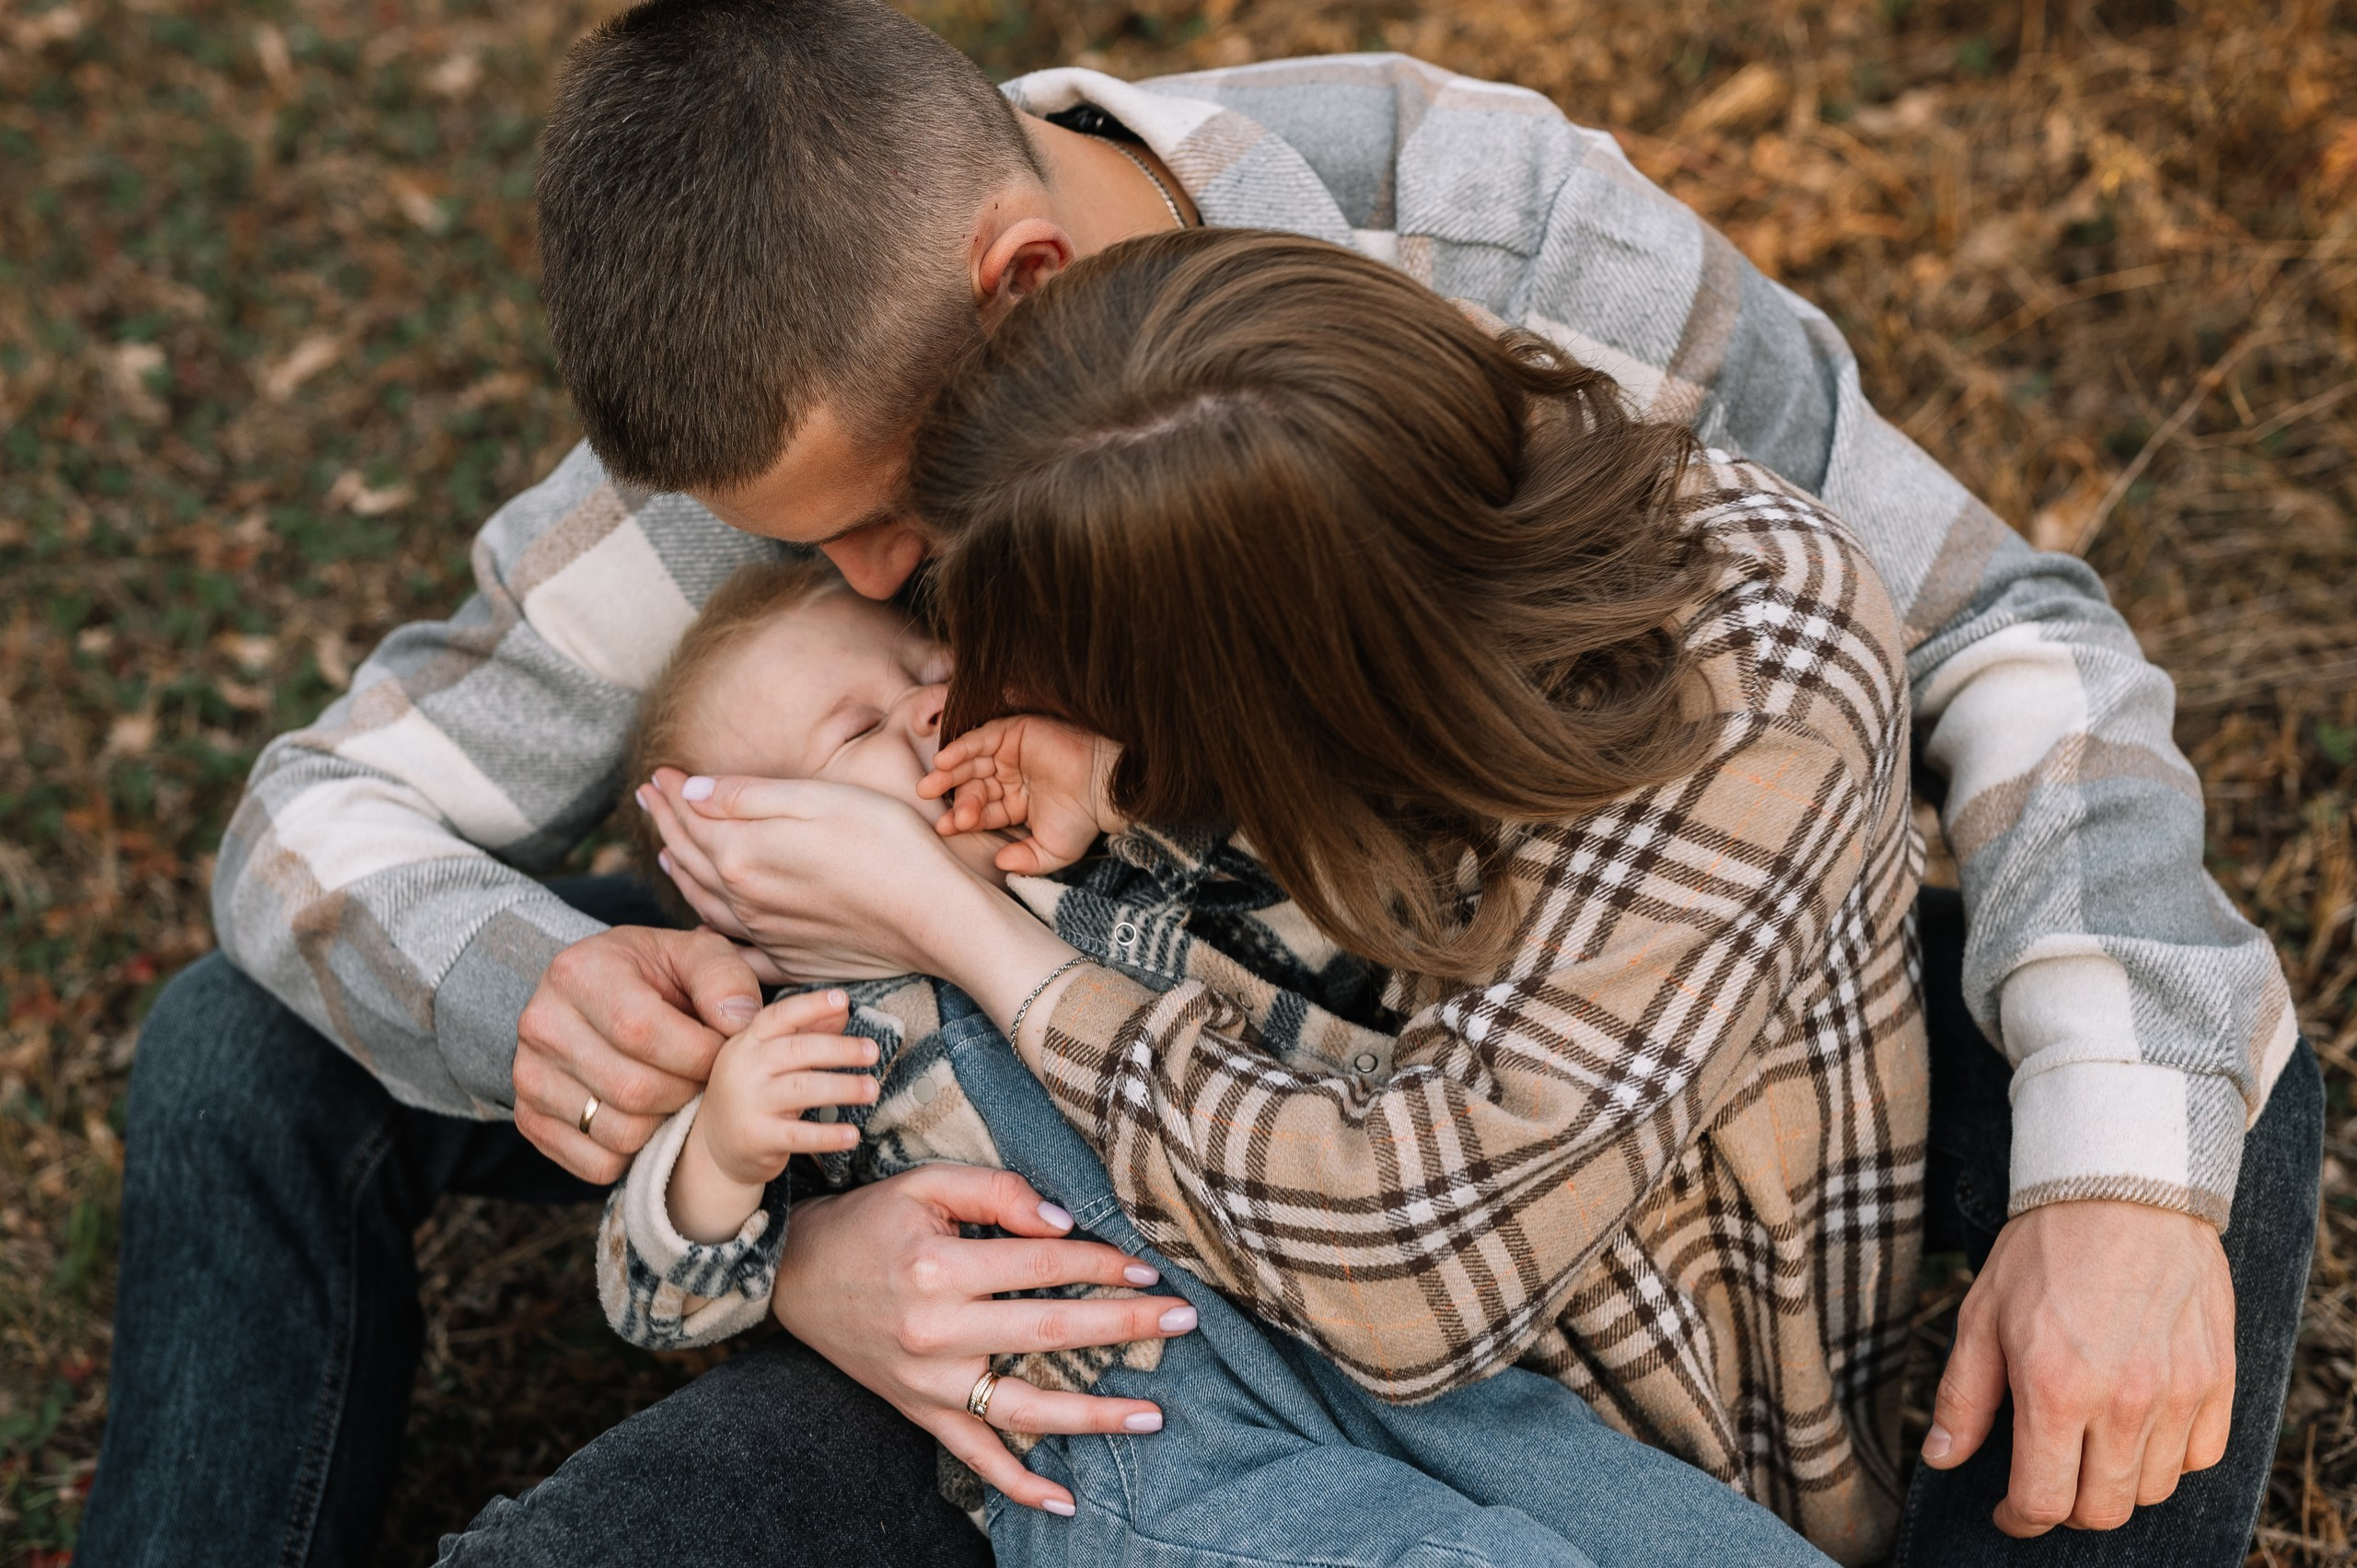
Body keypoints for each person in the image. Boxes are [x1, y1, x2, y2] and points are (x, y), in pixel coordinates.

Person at [77, 0, 2318, 1563]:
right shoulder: (803, 378)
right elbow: (322, 814)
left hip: (1519, 1018)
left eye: (889, 528)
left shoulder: (1479, 235)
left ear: (1023, 285)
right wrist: (649, 1108)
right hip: (1023, 1199)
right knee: (244, 1044)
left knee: (2173, 1083)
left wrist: (2112, 1186)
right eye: (803, 560)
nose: (876, 590)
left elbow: (1995, 626)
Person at [560, 531, 1840, 1567]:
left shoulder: (1107, 892)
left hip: (1382, 1355)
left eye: (922, 661)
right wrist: (720, 1154)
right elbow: (655, 1291)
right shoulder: (801, 1047)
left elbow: (1339, 1010)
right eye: (854, 734)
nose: (929, 704)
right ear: (741, 877)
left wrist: (1120, 783)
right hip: (1149, 1449)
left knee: (1677, 1535)